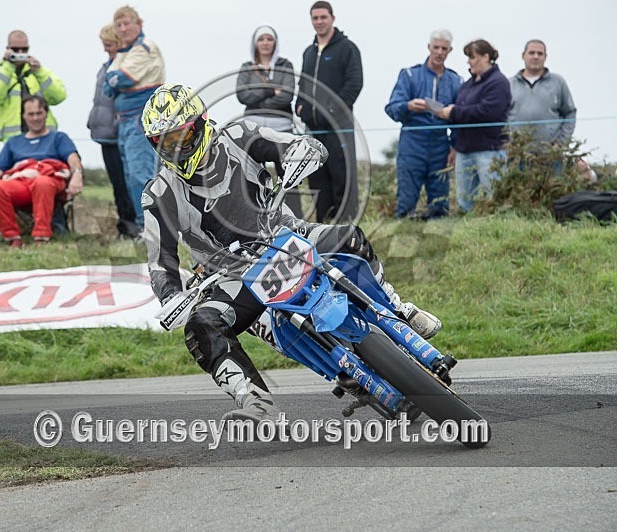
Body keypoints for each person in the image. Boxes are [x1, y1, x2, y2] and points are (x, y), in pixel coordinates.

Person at [140, 83, 441, 422]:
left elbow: (293, 144)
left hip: (286, 234)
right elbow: (160, 261)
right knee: (201, 325)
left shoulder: (239, 135)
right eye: (165, 142)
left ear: (200, 123)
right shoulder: (159, 194)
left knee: (348, 237)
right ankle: (255, 401)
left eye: (180, 137)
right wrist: (171, 297)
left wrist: (302, 152)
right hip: (234, 275)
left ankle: (397, 309)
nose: (175, 148)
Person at [0, 96, 83, 247]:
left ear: (46, 114)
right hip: (22, 181)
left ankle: (41, 237)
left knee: (42, 183)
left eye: (39, 113)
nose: (35, 118)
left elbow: (73, 158)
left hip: (49, 179)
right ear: (23, 116)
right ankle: (13, 238)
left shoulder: (58, 138)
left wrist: (77, 174)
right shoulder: (13, 142)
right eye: (31, 114)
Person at [295, 1, 363, 223]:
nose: (319, 22)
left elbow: (354, 83)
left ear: (332, 18)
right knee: (317, 176)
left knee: (342, 175)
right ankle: (322, 225)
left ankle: (346, 224)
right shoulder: (308, 52)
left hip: (339, 126)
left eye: (323, 17)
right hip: (313, 128)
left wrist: (332, 110)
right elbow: (303, 84)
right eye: (315, 18)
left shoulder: (348, 48)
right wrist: (300, 105)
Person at [385, 29, 461, 220]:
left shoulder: (456, 81)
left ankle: (437, 234)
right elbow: (392, 108)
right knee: (406, 201)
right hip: (412, 142)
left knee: (440, 204)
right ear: (429, 47)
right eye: (436, 47)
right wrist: (408, 106)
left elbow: (460, 119)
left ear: (450, 51)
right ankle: (403, 231)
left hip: (441, 144)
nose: (439, 52)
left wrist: (455, 146)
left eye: (444, 49)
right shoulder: (410, 75)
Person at [104, 5, 165, 230]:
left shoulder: (144, 48)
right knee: (131, 175)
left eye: (127, 23)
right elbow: (108, 87)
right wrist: (113, 80)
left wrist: (115, 80)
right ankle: (144, 226)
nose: (123, 28)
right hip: (125, 120)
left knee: (142, 174)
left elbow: (121, 78)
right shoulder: (125, 52)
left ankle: (152, 227)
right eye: (118, 25)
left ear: (139, 24)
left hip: (140, 118)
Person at [437, 39, 511, 214]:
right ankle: (467, 227)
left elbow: (487, 112)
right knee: (464, 200)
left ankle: (498, 226)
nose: (469, 62)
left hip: (490, 150)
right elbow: (463, 113)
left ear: (486, 57)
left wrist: (453, 112)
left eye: (472, 57)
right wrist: (446, 114)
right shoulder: (466, 85)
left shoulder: (499, 82)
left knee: (494, 197)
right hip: (465, 149)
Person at [236, 25, 301, 216]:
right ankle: (255, 217)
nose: (265, 43)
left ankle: (295, 216)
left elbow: (287, 96)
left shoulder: (285, 65)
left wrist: (257, 97)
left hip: (282, 128)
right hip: (254, 129)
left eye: (269, 39)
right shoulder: (247, 67)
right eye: (261, 39)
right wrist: (271, 90)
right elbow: (242, 96)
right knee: (253, 175)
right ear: (255, 43)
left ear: (275, 42)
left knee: (289, 174)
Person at [87, 23, 139, 239]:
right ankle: (125, 226)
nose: (105, 49)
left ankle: (133, 227)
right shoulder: (106, 66)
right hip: (105, 134)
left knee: (128, 183)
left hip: (120, 134)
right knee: (118, 184)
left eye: (109, 45)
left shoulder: (126, 68)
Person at [0, 30, 67, 142]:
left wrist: (39, 72)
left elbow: (59, 97)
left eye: (24, 49)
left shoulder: (40, 72)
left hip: (44, 139)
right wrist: (8, 67)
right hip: (13, 140)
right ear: (8, 49)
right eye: (16, 50)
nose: (20, 53)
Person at [508, 39, 577, 170]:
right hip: (517, 156)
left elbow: (570, 113)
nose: (536, 57)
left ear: (545, 57)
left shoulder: (558, 82)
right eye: (531, 53)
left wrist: (561, 144)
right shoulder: (510, 84)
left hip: (550, 156)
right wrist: (507, 143)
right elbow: (501, 117)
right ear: (523, 56)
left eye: (540, 54)